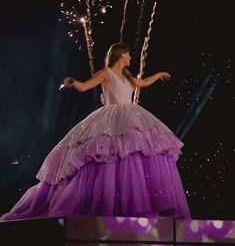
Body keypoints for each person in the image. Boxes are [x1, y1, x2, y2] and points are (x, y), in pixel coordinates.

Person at [1, 43, 191, 220]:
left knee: (134, 151)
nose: (130, 57)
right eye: (128, 54)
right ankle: (102, 206)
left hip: (131, 116)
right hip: (109, 118)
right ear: (120, 55)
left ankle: (129, 205)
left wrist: (158, 75)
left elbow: (142, 83)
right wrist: (72, 82)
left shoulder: (127, 75)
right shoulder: (106, 73)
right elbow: (85, 86)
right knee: (106, 154)